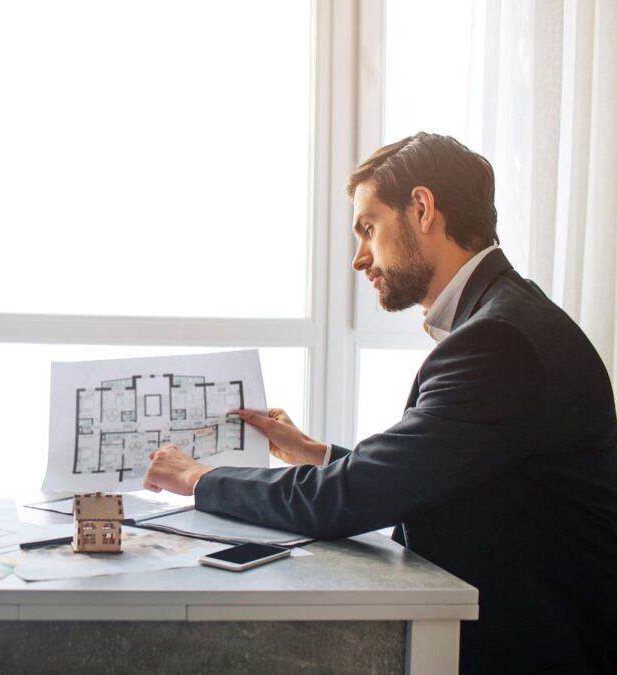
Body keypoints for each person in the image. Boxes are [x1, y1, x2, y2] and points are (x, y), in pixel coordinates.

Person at [143, 133, 617, 674]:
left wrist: (200, 477)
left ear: (421, 208)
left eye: (368, 227)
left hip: (533, 649)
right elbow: (442, 477)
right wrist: (317, 453)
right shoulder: (507, 316)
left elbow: (346, 500)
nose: (358, 258)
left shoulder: (497, 341)